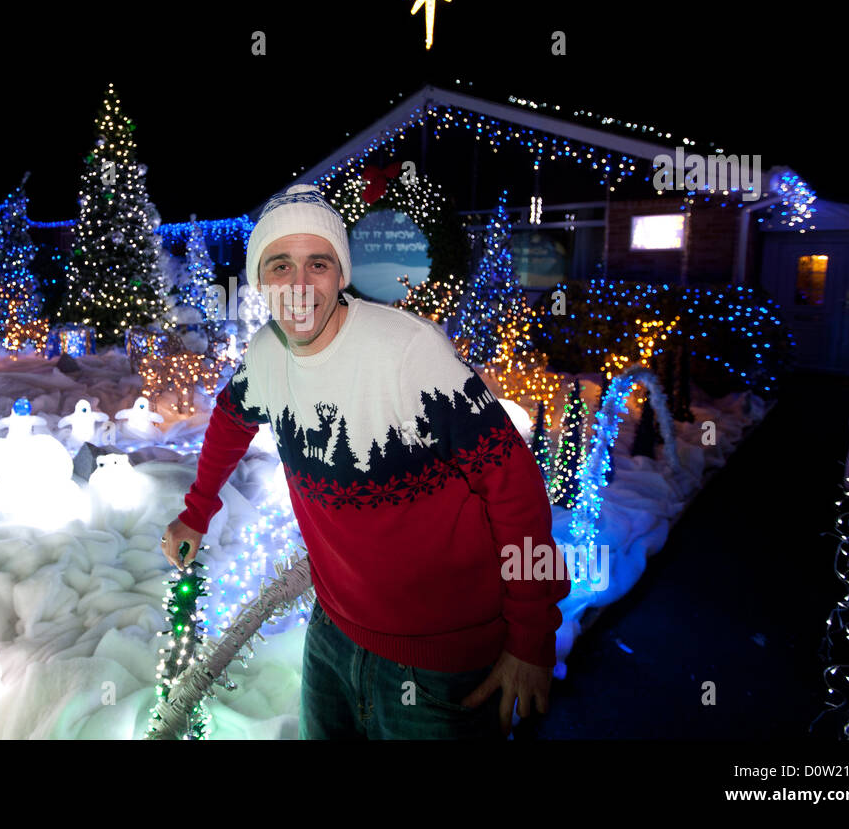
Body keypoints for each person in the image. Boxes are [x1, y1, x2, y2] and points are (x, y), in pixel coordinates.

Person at [161, 184, 570, 739]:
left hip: (441, 661)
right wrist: (197, 510)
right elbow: (232, 418)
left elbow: (516, 489)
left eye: (318, 264)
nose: (300, 286)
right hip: (332, 633)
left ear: (340, 273)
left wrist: (531, 638)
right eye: (281, 265)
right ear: (259, 280)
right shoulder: (266, 354)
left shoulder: (408, 353)